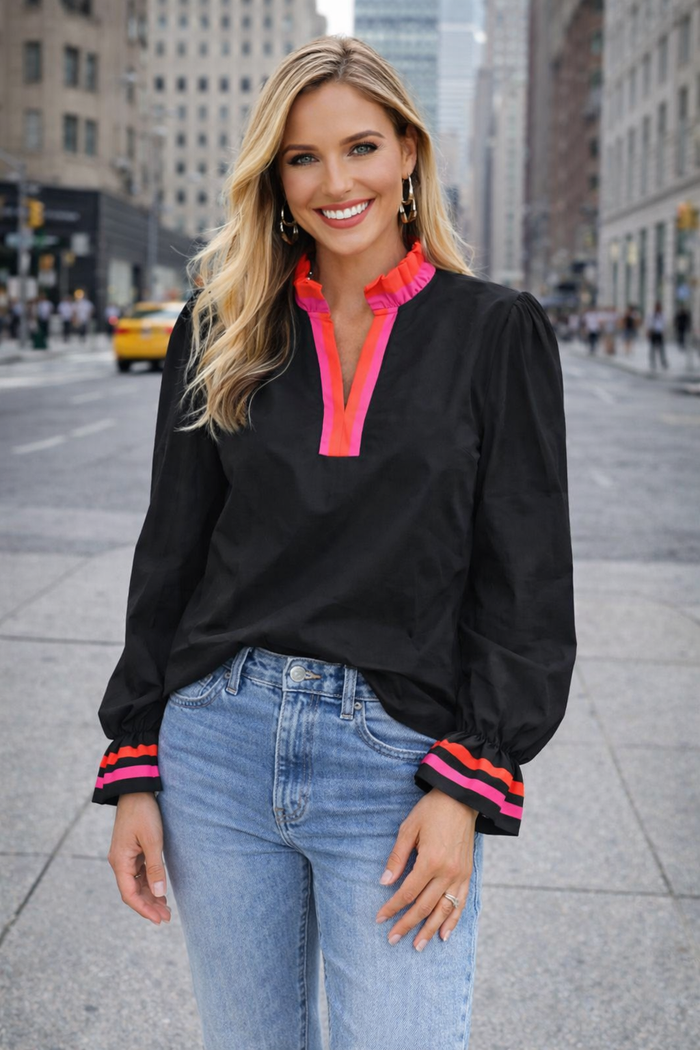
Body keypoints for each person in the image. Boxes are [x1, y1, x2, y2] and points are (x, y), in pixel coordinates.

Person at [93, 36, 576, 1050]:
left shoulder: (496, 331)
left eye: (359, 147)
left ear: (408, 152)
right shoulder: (220, 326)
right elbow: (170, 558)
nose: (334, 182)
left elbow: (524, 582)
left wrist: (466, 782)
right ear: (274, 177)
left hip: (399, 761)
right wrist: (133, 762)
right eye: (302, 158)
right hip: (216, 751)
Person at [646, 300, 668, 371]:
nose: (658, 308)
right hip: (653, 332)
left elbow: (664, 324)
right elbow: (648, 323)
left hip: (660, 333)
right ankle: (653, 362)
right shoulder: (651, 314)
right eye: (657, 307)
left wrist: (664, 331)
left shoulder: (662, 315)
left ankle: (663, 362)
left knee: (662, 348)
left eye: (659, 307)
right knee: (652, 348)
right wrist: (648, 332)